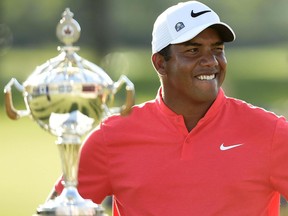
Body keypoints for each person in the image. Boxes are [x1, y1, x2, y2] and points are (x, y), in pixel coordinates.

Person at [50, 1, 288, 215]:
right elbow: (60, 209)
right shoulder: (111, 138)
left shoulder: (272, 133)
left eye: (217, 49)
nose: (211, 61)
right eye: (193, 50)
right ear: (160, 63)